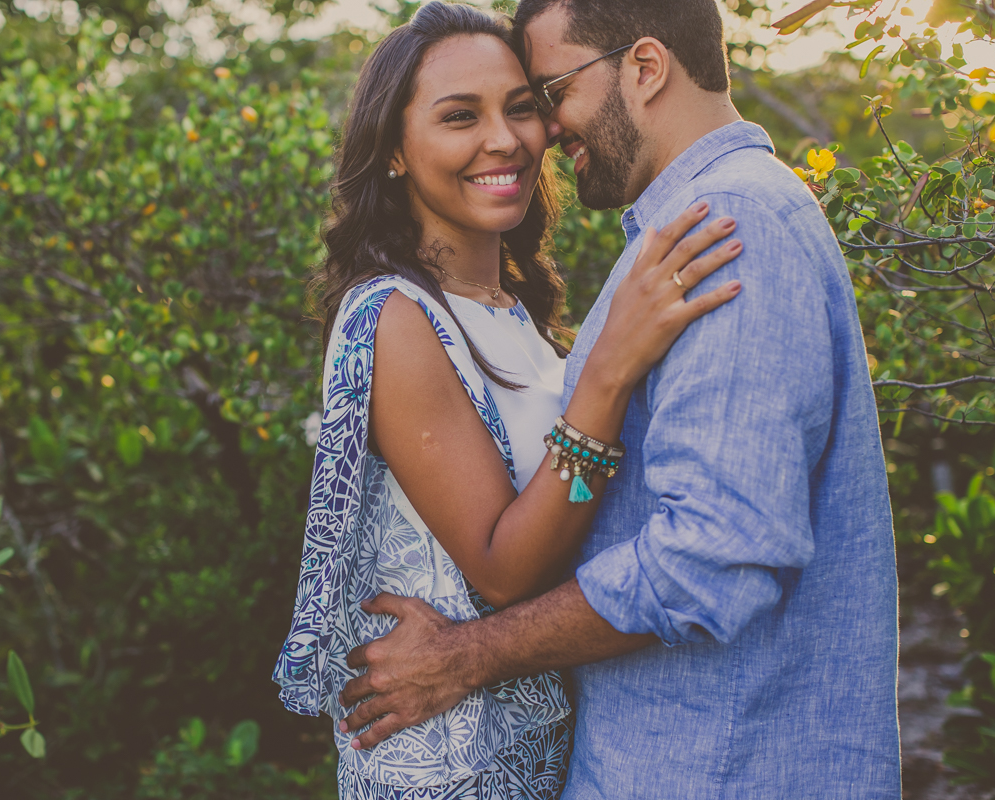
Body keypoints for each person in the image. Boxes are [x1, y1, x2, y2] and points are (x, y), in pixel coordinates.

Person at [334, 1, 903, 798]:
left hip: (719, 766)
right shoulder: (687, 231)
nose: (530, 134)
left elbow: (714, 555)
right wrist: (601, 379)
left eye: (541, 96)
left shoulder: (726, 224)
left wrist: (474, 652)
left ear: (643, 68)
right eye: (463, 115)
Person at [272, 2, 743, 798]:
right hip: (451, 767)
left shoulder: (513, 313)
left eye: (522, 107)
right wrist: (608, 375)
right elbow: (503, 570)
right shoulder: (394, 316)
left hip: (543, 752)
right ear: (393, 151)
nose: (506, 139)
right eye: (461, 116)